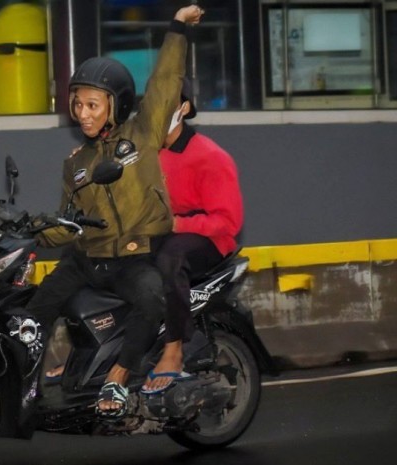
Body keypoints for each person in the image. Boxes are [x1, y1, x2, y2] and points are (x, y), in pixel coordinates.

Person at [22, 5, 205, 419]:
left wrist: (178, 29)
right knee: (37, 308)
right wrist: (30, 231)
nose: (83, 114)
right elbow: (69, 223)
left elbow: (164, 82)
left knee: (151, 298)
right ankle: (28, 382)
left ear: (115, 105)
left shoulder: (143, 132)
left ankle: (118, 376)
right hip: (89, 258)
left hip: (134, 256)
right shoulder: (77, 163)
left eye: (92, 105)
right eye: (77, 105)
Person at [141, 77, 244, 394]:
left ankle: (174, 350)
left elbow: (229, 222)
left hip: (208, 239)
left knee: (171, 258)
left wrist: (178, 225)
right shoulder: (147, 153)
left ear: (183, 108)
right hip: (164, 232)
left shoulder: (211, 156)